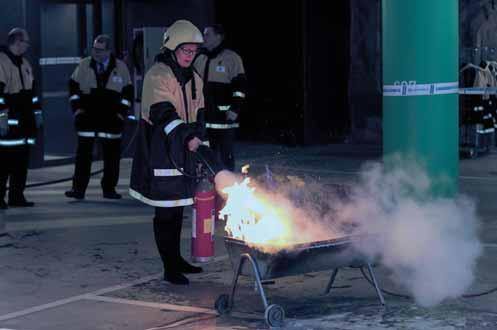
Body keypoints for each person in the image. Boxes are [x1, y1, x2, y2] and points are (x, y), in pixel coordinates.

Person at [129, 19, 220, 285]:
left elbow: (201, 111)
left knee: (178, 207)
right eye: (185, 51)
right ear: (172, 48)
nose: (190, 56)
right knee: (165, 210)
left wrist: (199, 136)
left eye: (193, 52)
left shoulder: (194, 77)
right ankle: (169, 267)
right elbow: (162, 113)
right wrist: (189, 136)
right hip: (161, 150)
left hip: (184, 149)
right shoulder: (157, 75)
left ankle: (177, 259)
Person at [65, 34, 133, 200]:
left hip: (111, 119)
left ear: (109, 51)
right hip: (87, 118)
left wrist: (120, 114)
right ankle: (78, 189)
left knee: (111, 156)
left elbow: (128, 93)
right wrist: (77, 110)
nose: (96, 52)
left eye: (100, 50)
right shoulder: (84, 65)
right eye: (94, 48)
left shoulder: (120, 67)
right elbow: (73, 88)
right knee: (83, 156)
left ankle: (109, 189)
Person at [194, 24, 247, 171]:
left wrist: (235, 109)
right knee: (204, 158)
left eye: (207, 34)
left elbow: (240, 88)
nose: (203, 38)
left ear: (218, 37)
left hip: (224, 120)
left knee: (225, 158)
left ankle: (226, 190)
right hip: (203, 120)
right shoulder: (199, 58)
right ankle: (207, 191)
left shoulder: (232, 58)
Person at [0, 28, 42, 209]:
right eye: (26, 42)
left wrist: (37, 113)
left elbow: (32, 92)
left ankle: (17, 197)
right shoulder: (2, 62)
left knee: (21, 162)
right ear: (17, 42)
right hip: (10, 122)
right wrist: (2, 117)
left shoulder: (24, 63)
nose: (28, 45)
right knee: (3, 163)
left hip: (25, 121)